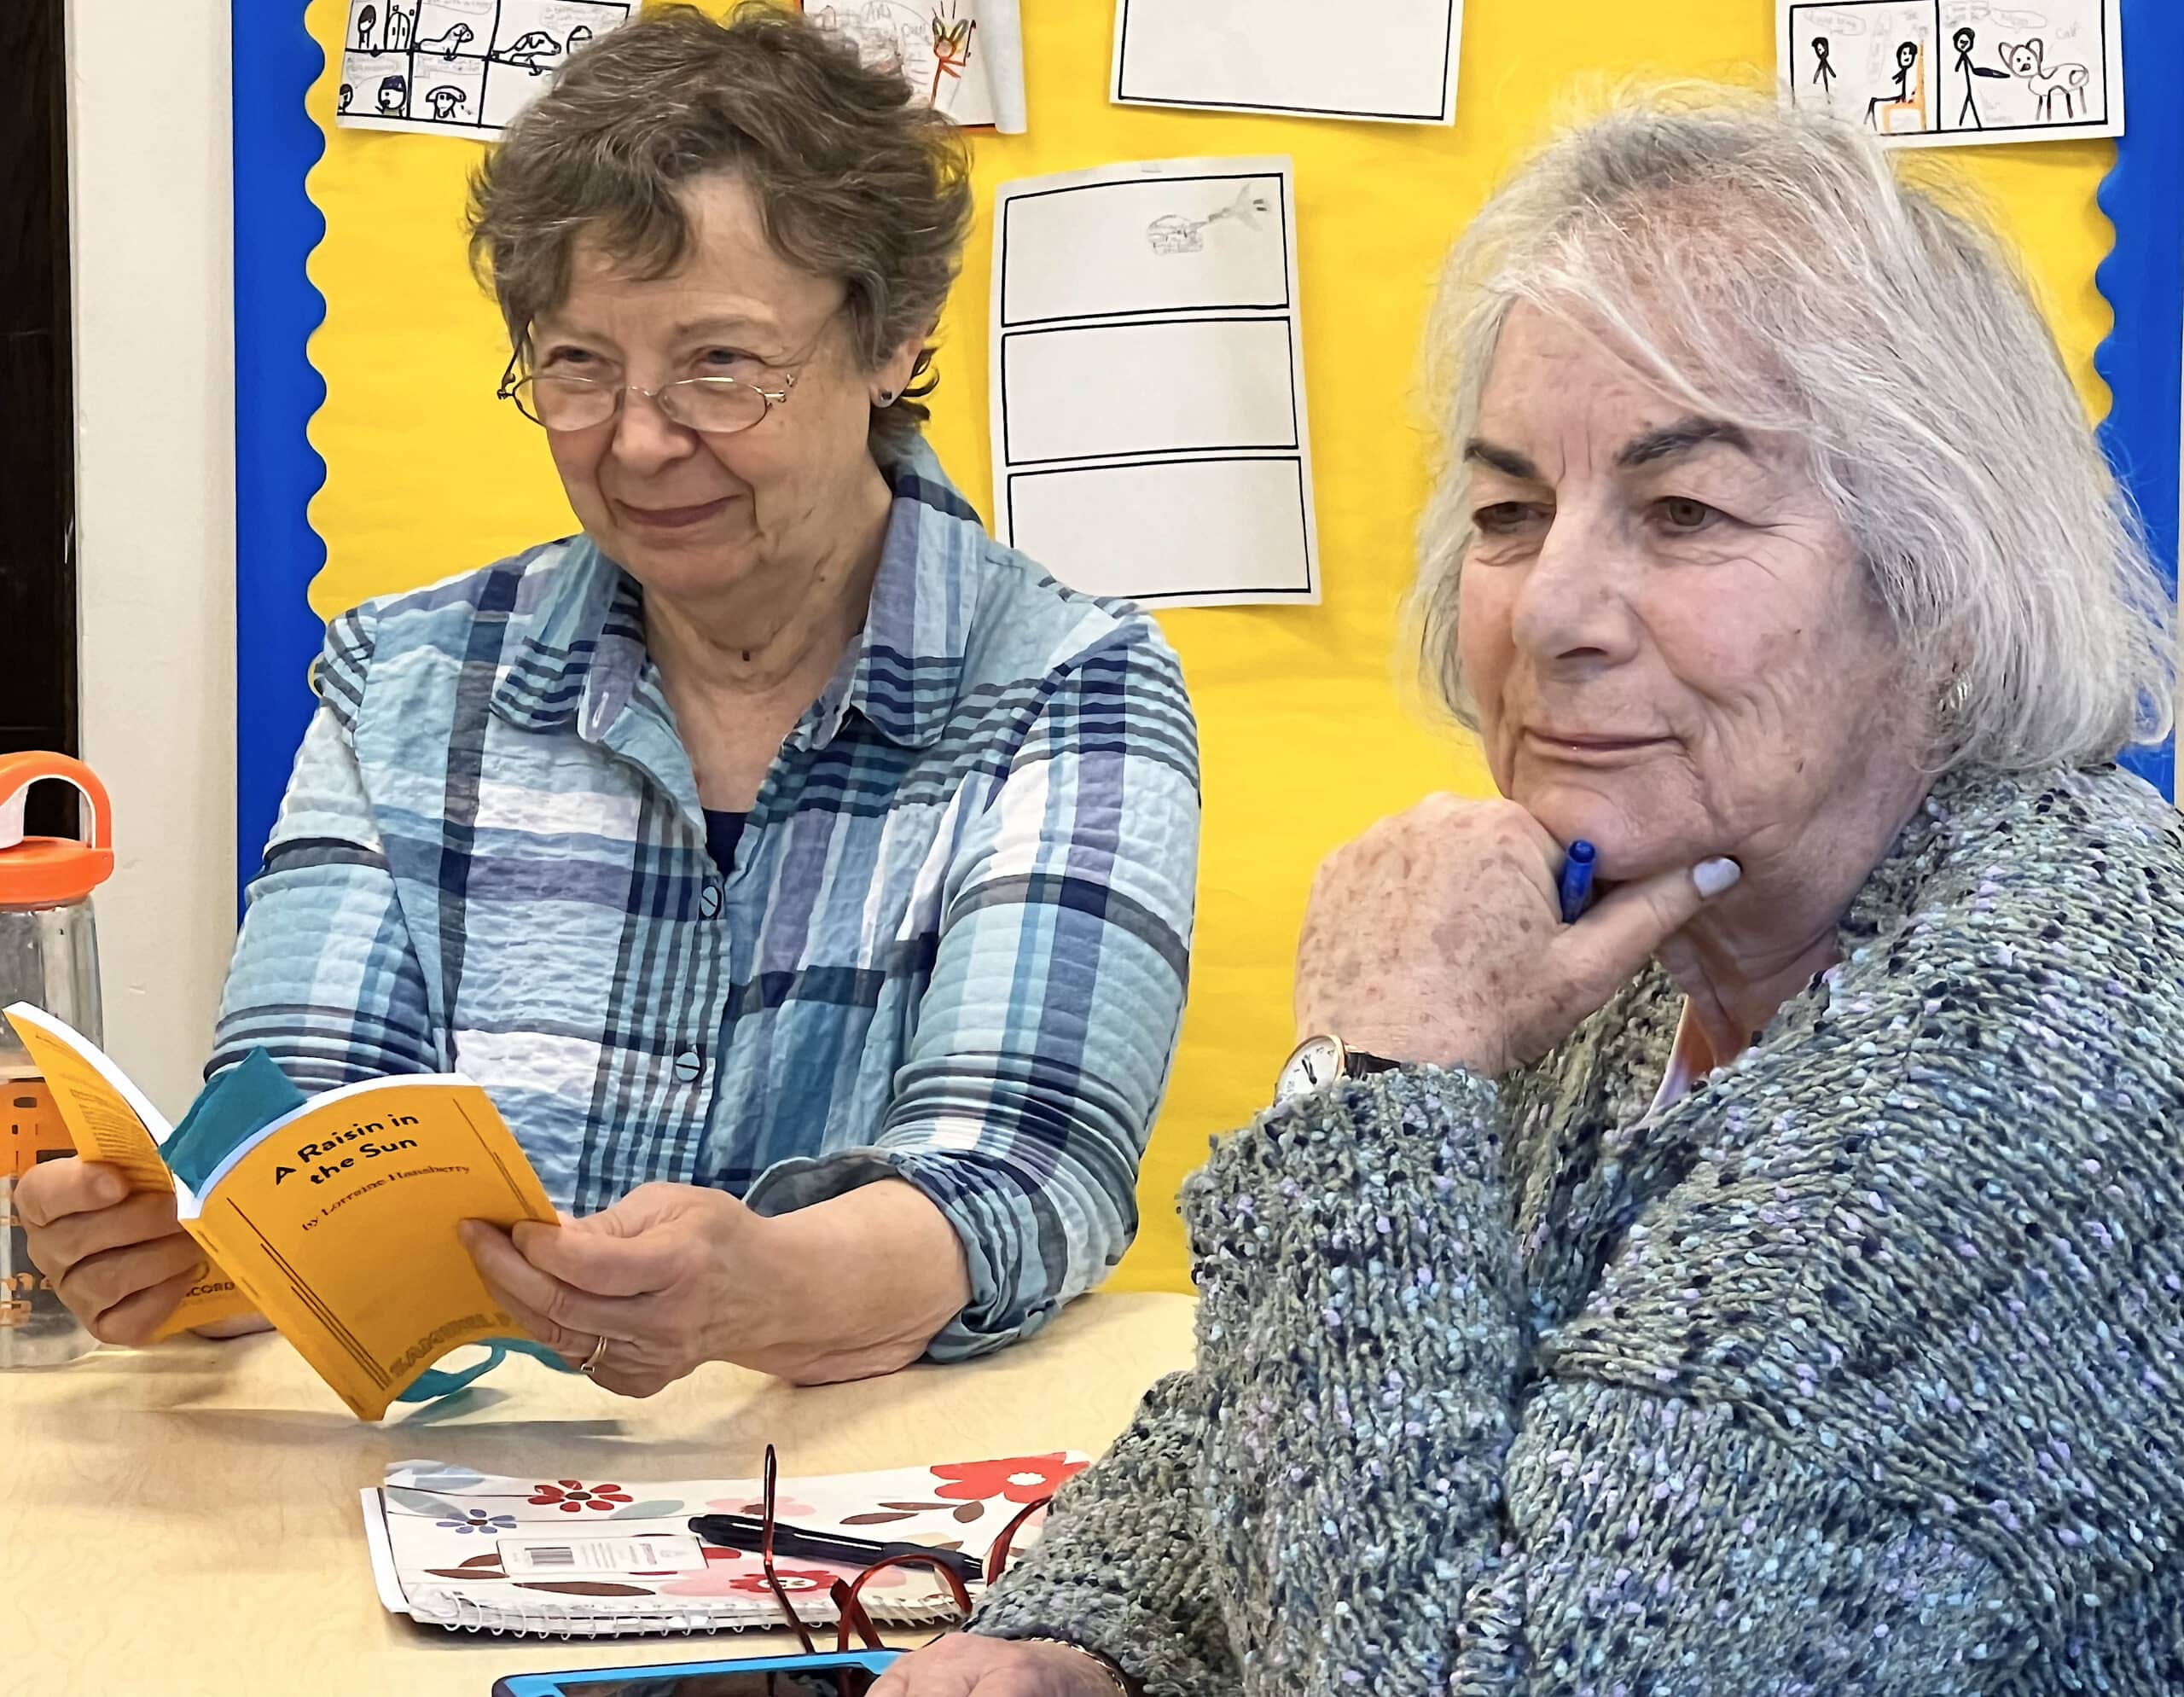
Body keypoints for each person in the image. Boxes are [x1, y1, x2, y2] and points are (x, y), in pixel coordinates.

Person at [880, 92, 2184, 1694]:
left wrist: (1378, 1081)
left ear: (1943, 589)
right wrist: (1066, 1630)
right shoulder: (1663, 927)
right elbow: (1291, 1412)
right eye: (1510, 512)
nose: (1550, 604)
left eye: (1684, 510)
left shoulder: (2026, 1035)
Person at [18, 4, 1199, 1393]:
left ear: (892, 338)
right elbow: (308, 1131)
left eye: (720, 365)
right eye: (579, 366)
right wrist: (204, 1254)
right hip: (447, 1512)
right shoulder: (409, 684)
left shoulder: (1067, 687)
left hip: (857, 1533)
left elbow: (1019, 1175)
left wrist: (760, 1289)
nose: (639, 442)